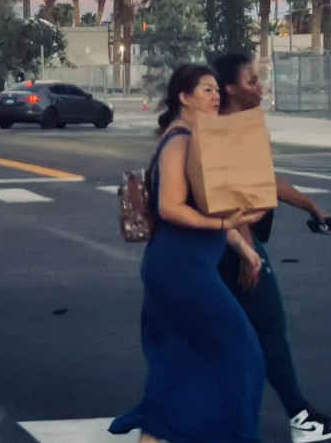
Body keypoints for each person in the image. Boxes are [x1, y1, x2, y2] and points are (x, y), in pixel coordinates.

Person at [110, 64, 267, 442]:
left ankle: (154, 437)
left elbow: (209, 206)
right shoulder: (180, 140)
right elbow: (171, 208)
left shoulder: (196, 138)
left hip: (182, 265)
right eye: (207, 91)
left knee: (180, 360)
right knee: (242, 353)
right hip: (181, 267)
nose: (217, 98)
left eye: (217, 91)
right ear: (184, 97)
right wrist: (224, 227)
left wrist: (243, 247)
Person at [214, 52, 331, 443]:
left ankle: (206, 419)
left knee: (235, 337)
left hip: (236, 244)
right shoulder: (225, 132)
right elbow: (227, 195)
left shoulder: (241, 128)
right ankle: (300, 416)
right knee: (269, 330)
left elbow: (265, 178)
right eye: (251, 80)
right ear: (230, 88)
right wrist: (248, 252)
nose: (260, 86)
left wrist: (311, 206)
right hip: (235, 246)